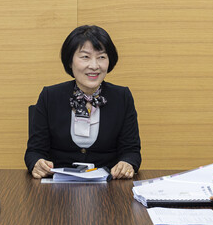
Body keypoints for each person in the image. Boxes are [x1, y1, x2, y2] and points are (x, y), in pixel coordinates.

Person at [24, 25, 141, 180]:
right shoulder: (50, 96)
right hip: (58, 187)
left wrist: (127, 163)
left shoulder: (122, 97)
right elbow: (34, 152)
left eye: (101, 57)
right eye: (85, 57)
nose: (94, 66)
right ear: (70, 61)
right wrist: (37, 163)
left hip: (109, 186)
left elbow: (131, 151)